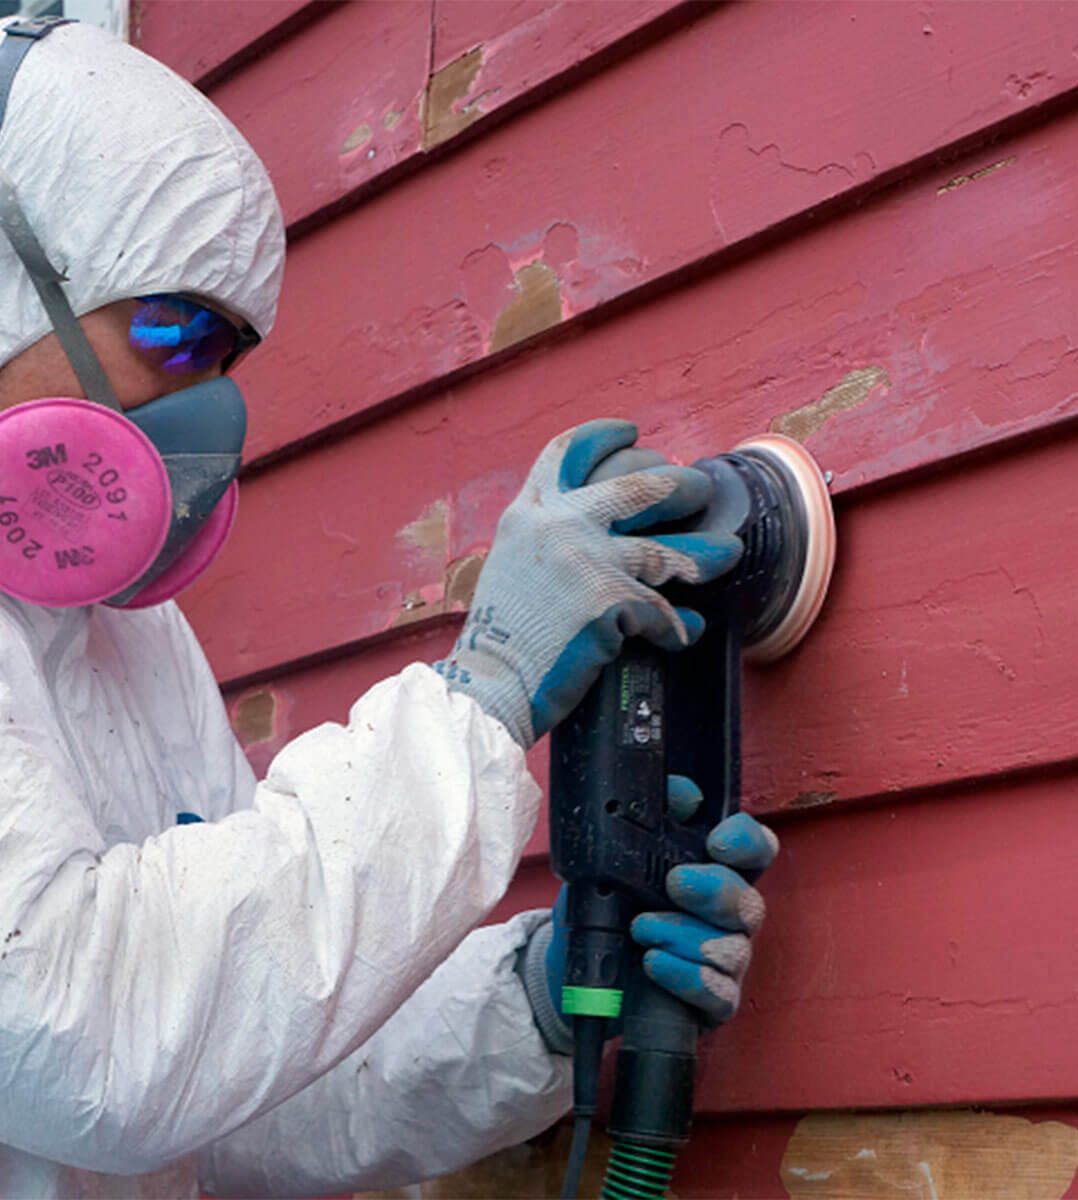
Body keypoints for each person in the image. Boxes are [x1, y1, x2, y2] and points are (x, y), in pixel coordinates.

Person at [0, 16, 778, 1198]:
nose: (207, 409)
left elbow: (237, 1086)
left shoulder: (122, 639)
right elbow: (81, 1030)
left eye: (228, 357)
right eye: (171, 331)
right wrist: (482, 703)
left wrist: (532, 1001)